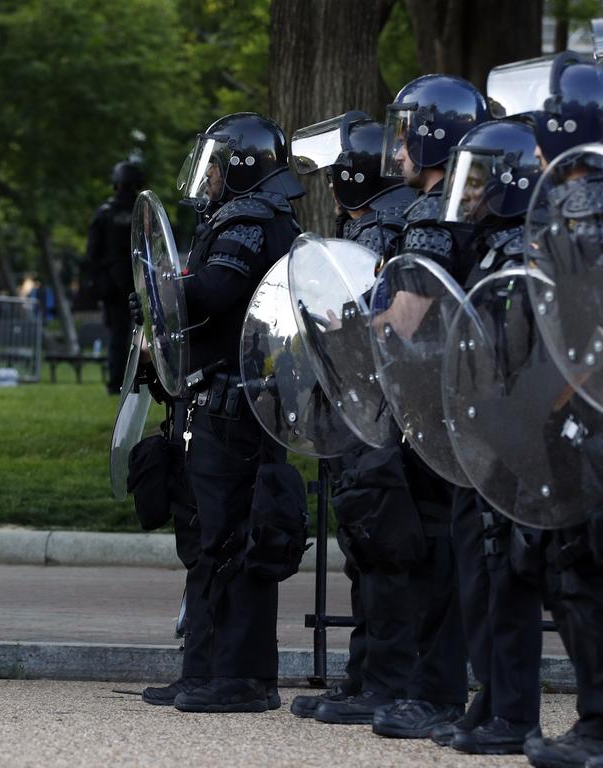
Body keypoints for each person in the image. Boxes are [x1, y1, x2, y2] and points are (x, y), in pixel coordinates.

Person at [138, 112, 305, 713]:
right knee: (213, 538)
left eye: (214, 166)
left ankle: (240, 679)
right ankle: (205, 671)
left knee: (234, 538)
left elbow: (214, 293)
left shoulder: (249, 222)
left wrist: (163, 288)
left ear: (239, 167)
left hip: (238, 406)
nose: (206, 179)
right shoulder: (252, 217)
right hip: (227, 400)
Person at [488, 50, 603, 768]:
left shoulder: (579, 206)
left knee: (580, 571)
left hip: (583, 417)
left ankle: (597, 726)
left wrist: (529, 415)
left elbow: (578, 328)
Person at [369, 73, 490, 740]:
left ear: (433, 134)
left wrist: (349, 326)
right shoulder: (472, 204)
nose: (399, 147)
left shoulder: (435, 214)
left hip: (435, 403)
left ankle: (437, 691)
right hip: (459, 400)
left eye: (408, 130)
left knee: (438, 549)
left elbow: (405, 316)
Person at [288, 111, 418, 725]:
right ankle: (365, 675)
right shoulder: (378, 225)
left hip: (375, 415)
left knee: (379, 548)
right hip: (370, 411)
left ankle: (383, 682)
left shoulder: (377, 235)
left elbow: (354, 322)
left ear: (354, 177)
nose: (331, 187)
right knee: (366, 548)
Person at [436, 118, 546, 755]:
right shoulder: (485, 248)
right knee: (478, 569)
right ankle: (491, 694)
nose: (467, 193)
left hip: (515, 437)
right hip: (478, 434)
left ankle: (516, 711)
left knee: (509, 573)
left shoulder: (524, 251)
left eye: (477, 180)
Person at [86, 161, 144, 394]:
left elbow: (92, 253)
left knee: (117, 337)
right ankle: (138, 381)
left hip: (112, 283)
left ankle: (115, 382)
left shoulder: (105, 213)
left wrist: (98, 282)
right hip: (138, 282)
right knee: (142, 336)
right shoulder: (142, 210)